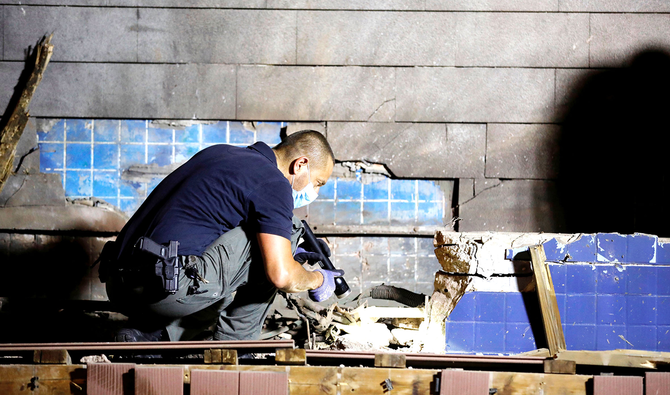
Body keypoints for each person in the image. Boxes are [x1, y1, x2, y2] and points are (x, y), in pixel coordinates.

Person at [100, 130, 341, 342]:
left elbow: (216, 238)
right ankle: (238, 347)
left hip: (118, 285)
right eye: (318, 183)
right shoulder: (273, 183)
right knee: (289, 230)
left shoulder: (219, 153)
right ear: (300, 164)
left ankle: (154, 335)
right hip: (161, 291)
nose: (315, 191)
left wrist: (290, 252)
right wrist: (317, 279)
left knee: (241, 272)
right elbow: (281, 275)